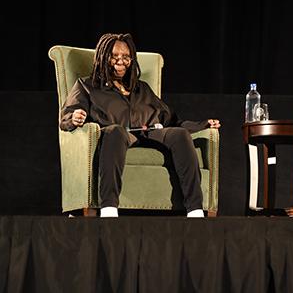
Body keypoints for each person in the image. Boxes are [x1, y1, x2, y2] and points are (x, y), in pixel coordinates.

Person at [59, 33, 221, 218]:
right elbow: (66, 116)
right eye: (114, 56)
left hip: (149, 132)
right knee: (116, 132)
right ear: (103, 57)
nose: (121, 61)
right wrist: (74, 118)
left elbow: (172, 121)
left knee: (179, 134)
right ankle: (109, 209)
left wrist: (202, 125)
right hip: (117, 136)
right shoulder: (87, 86)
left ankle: (195, 210)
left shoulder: (141, 88)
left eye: (126, 57)